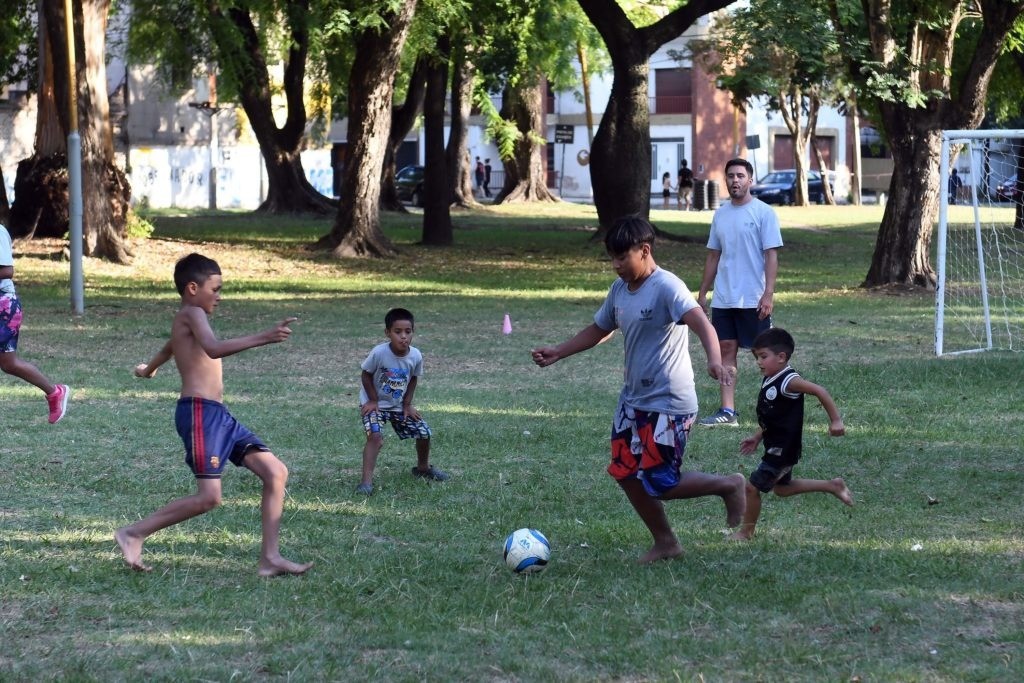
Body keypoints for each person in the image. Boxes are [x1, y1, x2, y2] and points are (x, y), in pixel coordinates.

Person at [532, 215, 746, 564]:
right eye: (612, 259)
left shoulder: (667, 286)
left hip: (669, 403)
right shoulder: (620, 289)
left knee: (660, 481)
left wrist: (715, 359)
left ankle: (729, 485)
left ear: (644, 250)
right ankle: (666, 542)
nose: (616, 266)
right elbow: (600, 327)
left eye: (622, 258)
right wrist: (560, 351)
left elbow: (701, 322)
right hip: (633, 401)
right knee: (624, 471)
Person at [115, 253, 312, 577]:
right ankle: (133, 533)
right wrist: (265, 336)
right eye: (215, 289)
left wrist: (148, 369)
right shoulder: (191, 312)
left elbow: (170, 346)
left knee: (275, 472)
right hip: (198, 413)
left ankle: (270, 558)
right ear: (193, 288)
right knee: (209, 498)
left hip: (218, 415)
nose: (219, 296)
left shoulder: (187, 318)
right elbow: (214, 348)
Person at [729, 328, 853, 540]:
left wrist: (836, 420)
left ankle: (746, 532)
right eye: (757, 357)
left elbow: (820, 390)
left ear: (781, 357)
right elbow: (774, 415)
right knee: (782, 489)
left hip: (783, 449)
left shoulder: (789, 381)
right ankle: (832, 485)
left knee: (751, 488)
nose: (759, 362)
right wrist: (757, 436)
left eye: (763, 356)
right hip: (777, 445)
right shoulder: (772, 376)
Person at [697, 158, 783, 428]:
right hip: (724, 297)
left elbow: (771, 256)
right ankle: (727, 411)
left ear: (750, 180)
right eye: (731, 176)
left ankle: (776, 407)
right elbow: (713, 256)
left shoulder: (763, 213)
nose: (735, 180)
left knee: (764, 353)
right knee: (726, 350)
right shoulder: (720, 214)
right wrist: (702, 293)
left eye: (740, 176)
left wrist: (768, 293)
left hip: (753, 297)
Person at [357, 307, 448, 495]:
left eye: (408, 331)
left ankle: (422, 469)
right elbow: (366, 374)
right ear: (388, 333)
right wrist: (373, 400)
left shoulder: (415, 355)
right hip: (374, 405)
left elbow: (414, 377)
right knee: (375, 437)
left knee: (423, 432)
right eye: (397, 332)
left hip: (398, 405)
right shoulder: (379, 353)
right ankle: (366, 483)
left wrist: (407, 404)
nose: (403, 337)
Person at [0, 222, 69, 424]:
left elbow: (7, 271)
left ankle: (55, 392)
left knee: (9, 363)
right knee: (8, 364)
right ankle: (54, 392)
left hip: (4, 305)